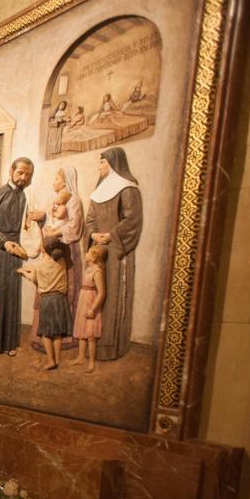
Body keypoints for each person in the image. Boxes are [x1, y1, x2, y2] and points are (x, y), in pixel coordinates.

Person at [85, 147, 143, 361]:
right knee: (96, 294)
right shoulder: (98, 191)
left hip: (117, 252)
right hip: (98, 249)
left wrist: (111, 235)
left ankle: (111, 346)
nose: (98, 166)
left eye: (101, 162)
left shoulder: (128, 189)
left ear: (111, 163)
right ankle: (93, 345)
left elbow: (132, 220)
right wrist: (93, 234)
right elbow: (90, 218)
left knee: (113, 295)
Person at [0, 157, 36, 355]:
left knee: (12, 297)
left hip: (16, 252)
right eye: (20, 172)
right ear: (11, 171)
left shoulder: (25, 195)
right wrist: (5, 243)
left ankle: (10, 344)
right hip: (0, 252)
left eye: (28, 174)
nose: (23, 177)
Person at [28, 165, 84, 354]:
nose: (54, 182)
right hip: (50, 247)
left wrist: (57, 232)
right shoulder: (54, 200)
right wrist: (46, 227)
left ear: (65, 181)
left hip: (65, 249)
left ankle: (65, 337)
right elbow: (50, 222)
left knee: (62, 289)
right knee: (47, 289)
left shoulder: (74, 201)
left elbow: (75, 225)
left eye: (57, 178)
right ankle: (41, 337)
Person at [18, 240, 71, 370]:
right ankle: (57, 359)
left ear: (43, 250)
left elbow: (34, 279)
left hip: (47, 300)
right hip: (60, 300)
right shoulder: (62, 261)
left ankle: (50, 360)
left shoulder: (38, 265)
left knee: (46, 333)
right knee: (58, 332)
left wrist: (23, 272)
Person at [71, 245, 108, 372]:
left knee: (91, 334)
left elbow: (102, 292)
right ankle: (81, 357)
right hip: (83, 299)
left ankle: (92, 362)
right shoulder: (88, 269)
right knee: (82, 332)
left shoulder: (97, 271)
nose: (86, 254)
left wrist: (93, 308)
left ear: (94, 257)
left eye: (88, 252)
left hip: (91, 301)